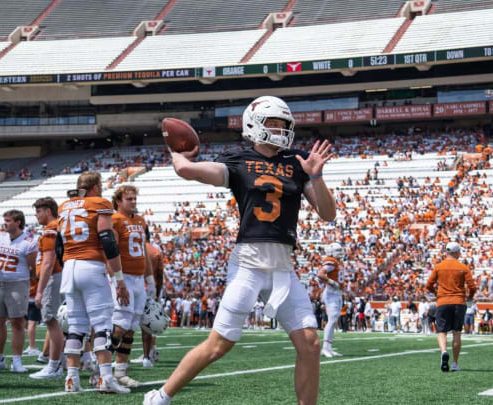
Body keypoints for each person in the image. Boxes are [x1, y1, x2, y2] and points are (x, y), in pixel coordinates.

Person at [144, 95, 336, 405]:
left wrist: (316, 176)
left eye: (283, 124)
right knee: (219, 345)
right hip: (248, 264)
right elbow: (188, 170)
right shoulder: (238, 160)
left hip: (283, 269)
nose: (279, 129)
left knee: (310, 344)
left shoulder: (299, 163)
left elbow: (328, 214)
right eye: (272, 123)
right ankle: (160, 396)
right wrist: (179, 154)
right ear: (255, 124)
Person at [58, 172, 130, 394]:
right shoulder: (99, 203)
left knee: (76, 326)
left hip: (69, 267)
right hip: (91, 266)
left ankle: (71, 379)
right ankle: (106, 379)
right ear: (96, 187)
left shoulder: (64, 206)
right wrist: (119, 279)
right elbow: (107, 240)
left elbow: (58, 246)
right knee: (102, 325)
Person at [109, 184, 155, 387]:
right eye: (129, 199)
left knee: (132, 328)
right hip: (124, 276)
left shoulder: (140, 220)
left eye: (135, 199)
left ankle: (120, 371)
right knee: (120, 326)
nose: (133, 202)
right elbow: (110, 252)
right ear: (118, 201)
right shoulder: (115, 220)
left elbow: (144, 251)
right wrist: (116, 279)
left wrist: (150, 277)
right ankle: (100, 369)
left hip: (138, 279)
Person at [0, 210, 37, 374]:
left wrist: (26, 280)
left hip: (18, 283)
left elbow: (33, 267)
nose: (5, 223)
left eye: (8, 220)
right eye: (5, 220)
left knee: (17, 322)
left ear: (18, 222)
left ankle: (17, 360)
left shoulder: (28, 241)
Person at [425, 242, 476, 373]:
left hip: (442, 302)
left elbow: (428, 285)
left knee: (441, 331)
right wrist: (470, 297)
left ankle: (443, 352)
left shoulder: (438, 266)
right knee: (457, 332)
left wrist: (438, 294)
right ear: (456, 252)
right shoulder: (463, 267)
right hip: (459, 302)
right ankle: (454, 363)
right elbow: (473, 287)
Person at [29, 197, 66, 380]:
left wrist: (40, 290)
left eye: (39, 211)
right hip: (58, 276)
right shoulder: (55, 227)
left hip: (53, 277)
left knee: (52, 321)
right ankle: (62, 361)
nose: (36, 215)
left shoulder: (51, 229)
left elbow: (48, 262)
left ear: (48, 211)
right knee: (56, 322)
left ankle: (54, 366)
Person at [317, 243, 345, 358]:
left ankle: (329, 347)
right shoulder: (331, 261)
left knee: (334, 320)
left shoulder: (338, 262)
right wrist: (333, 283)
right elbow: (321, 274)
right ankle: (325, 348)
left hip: (337, 294)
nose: (340, 252)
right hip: (331, 293)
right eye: (337, 250)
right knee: (332, 319)